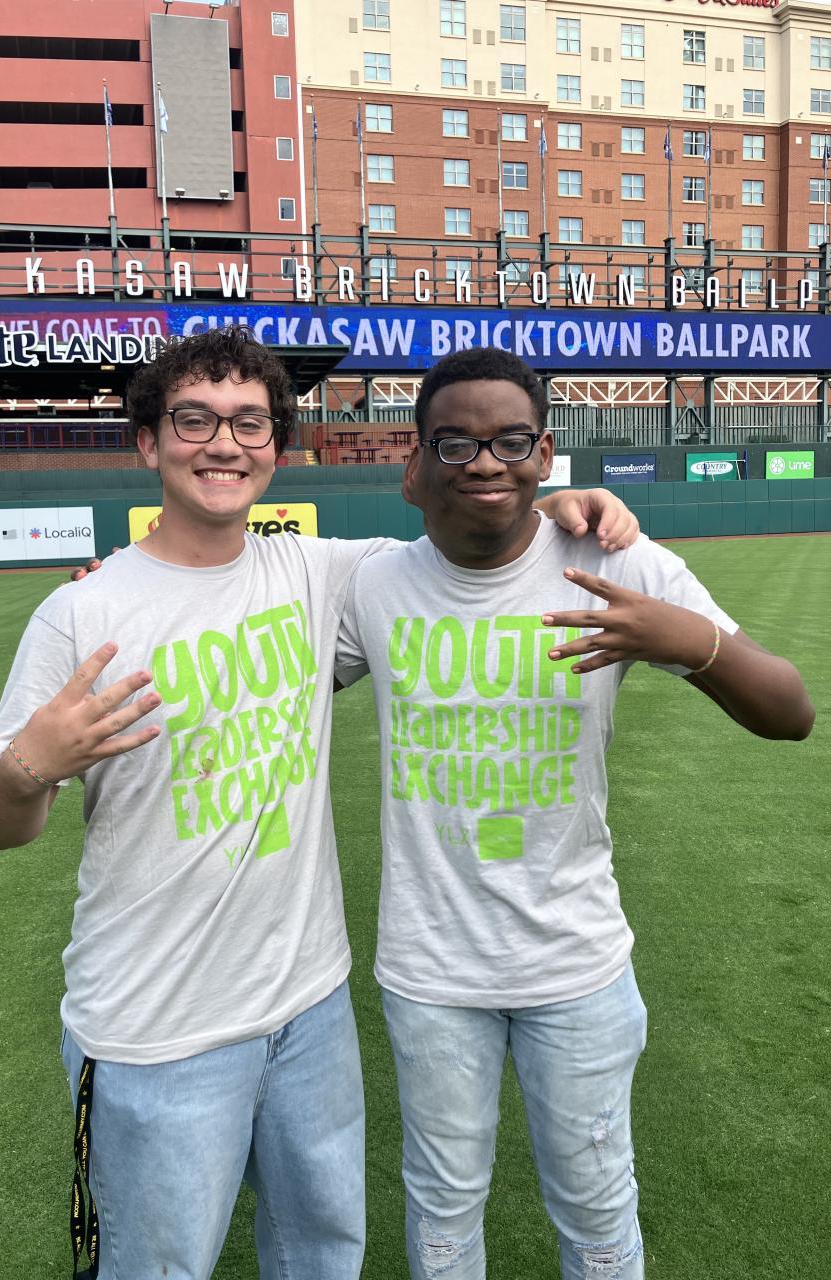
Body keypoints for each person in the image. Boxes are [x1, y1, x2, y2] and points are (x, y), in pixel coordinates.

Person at [0, 326, 640, 1280]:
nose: (224, 443)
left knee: (324, 1257)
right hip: (155, 1025)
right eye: (194, 420)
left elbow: (475, 526)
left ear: (276, 449)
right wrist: (29, 767)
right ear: (148, 441)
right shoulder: (82, 613)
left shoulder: (324, 574)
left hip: (310, 1010)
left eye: (249, 422)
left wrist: (566, 503)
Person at [334, 346, 814, 1280]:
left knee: (597, 1207)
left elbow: (789, 712)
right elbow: (237, 621)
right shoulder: (370, 583)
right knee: (441, 1205)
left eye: (511, 441)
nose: (485, 462)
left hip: (576, 962)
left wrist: (690, 640)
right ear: (415, 463)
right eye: (455, 442)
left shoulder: (612, 562)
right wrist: (125, 585)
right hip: (432, 969)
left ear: (546, 452)